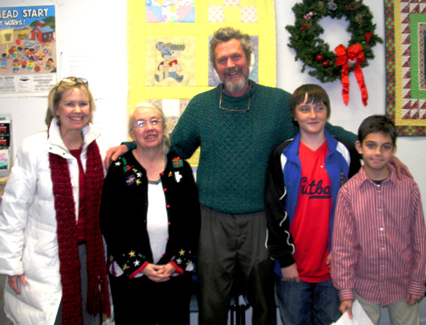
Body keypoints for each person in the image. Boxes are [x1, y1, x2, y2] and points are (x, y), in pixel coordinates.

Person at [106, 27, 408, 325]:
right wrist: (130, 145)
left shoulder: (277, 104)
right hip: (211, 220)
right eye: (222, 60)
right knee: (212, 302)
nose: (230, 65)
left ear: (248, 59)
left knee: (264, 302)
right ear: (215, 67)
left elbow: (322, 130)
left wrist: (372, 152)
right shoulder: (201, 106)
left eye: (236, 56)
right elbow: (174, 147)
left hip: (260, 219)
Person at [0, 77, 111, 324]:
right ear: (56, 109)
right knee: (55, 317)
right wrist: (12, 266)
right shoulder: (34, 148)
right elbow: (13, 211)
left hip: (90, 257)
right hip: (45, 258)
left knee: (89, 316)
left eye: (84, 104)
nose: (78, 110)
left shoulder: (99, 146)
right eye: (70, 104)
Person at [264, 84, 361, 325]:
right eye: (305, 109)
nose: (313, 115)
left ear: (327, 112)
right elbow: (274, 211)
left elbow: (359, 208)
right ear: (294, 116)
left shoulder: (345, 152)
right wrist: (285, 260)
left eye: (319, 108)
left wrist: (345, 252)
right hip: (294, 270)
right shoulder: (282, 155)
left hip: (335, 269)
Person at [100, 103, 200, 325]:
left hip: (173, 273)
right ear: (131, 133)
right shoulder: (119, 169)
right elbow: (109, 223)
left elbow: (193, 221)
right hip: (132, 276)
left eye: (155, 121)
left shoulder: (179, 167)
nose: (149, 128)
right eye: (141, 123)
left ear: (165, 128)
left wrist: (176, 263)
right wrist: (141, 266)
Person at [331, 115, 426, 325]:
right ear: (360, 146)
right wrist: (345, 291)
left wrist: (418, 282)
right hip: (364, 286)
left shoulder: (409, 189)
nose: (377, 153)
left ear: (393, 151)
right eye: (371, 145)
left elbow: (419, 239)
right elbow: (343, 246)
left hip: (403, 283)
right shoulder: (348, 193)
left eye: (385, 147)